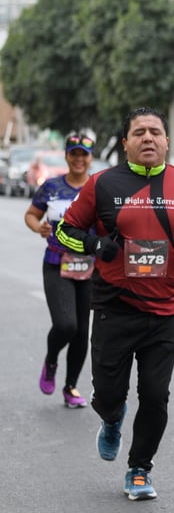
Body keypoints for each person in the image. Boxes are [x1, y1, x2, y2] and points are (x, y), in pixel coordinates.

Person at [56, 107, 174, 501]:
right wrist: (96, 244)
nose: (148, 138)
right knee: (108, 395)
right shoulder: (102, 183)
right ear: (125, 142)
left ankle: (140, 469)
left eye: (155, 132)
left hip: (165, 311)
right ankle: (112, 419)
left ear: (166, 141)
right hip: (114, 307)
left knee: (155, 394)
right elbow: (65, 231)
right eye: (139, 132)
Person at [23, 131, 97, 408]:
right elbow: (32, 214)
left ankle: (71, 387)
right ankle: (52, 359)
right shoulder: (51, 187)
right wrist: (37, 227)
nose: (79, 159)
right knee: (66, 325)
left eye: (84, 154)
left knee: (81, 332)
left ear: (90, 158)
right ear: (67, 156)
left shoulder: (99, 187)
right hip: (56, 261)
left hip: (89, 265)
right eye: (74, 153)